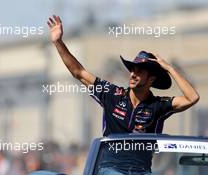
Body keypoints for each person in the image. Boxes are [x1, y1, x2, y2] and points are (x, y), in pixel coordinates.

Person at [47, 15, 200, 175]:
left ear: (151, 79)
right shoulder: (113, 94)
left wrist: (169, 68)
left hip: (142, 171)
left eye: (139, 71)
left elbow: (192, 98)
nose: (133, 74)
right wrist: (58, 42)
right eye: (132, 70)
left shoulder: (158, 105)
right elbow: (79, 72)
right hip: (110, 169)